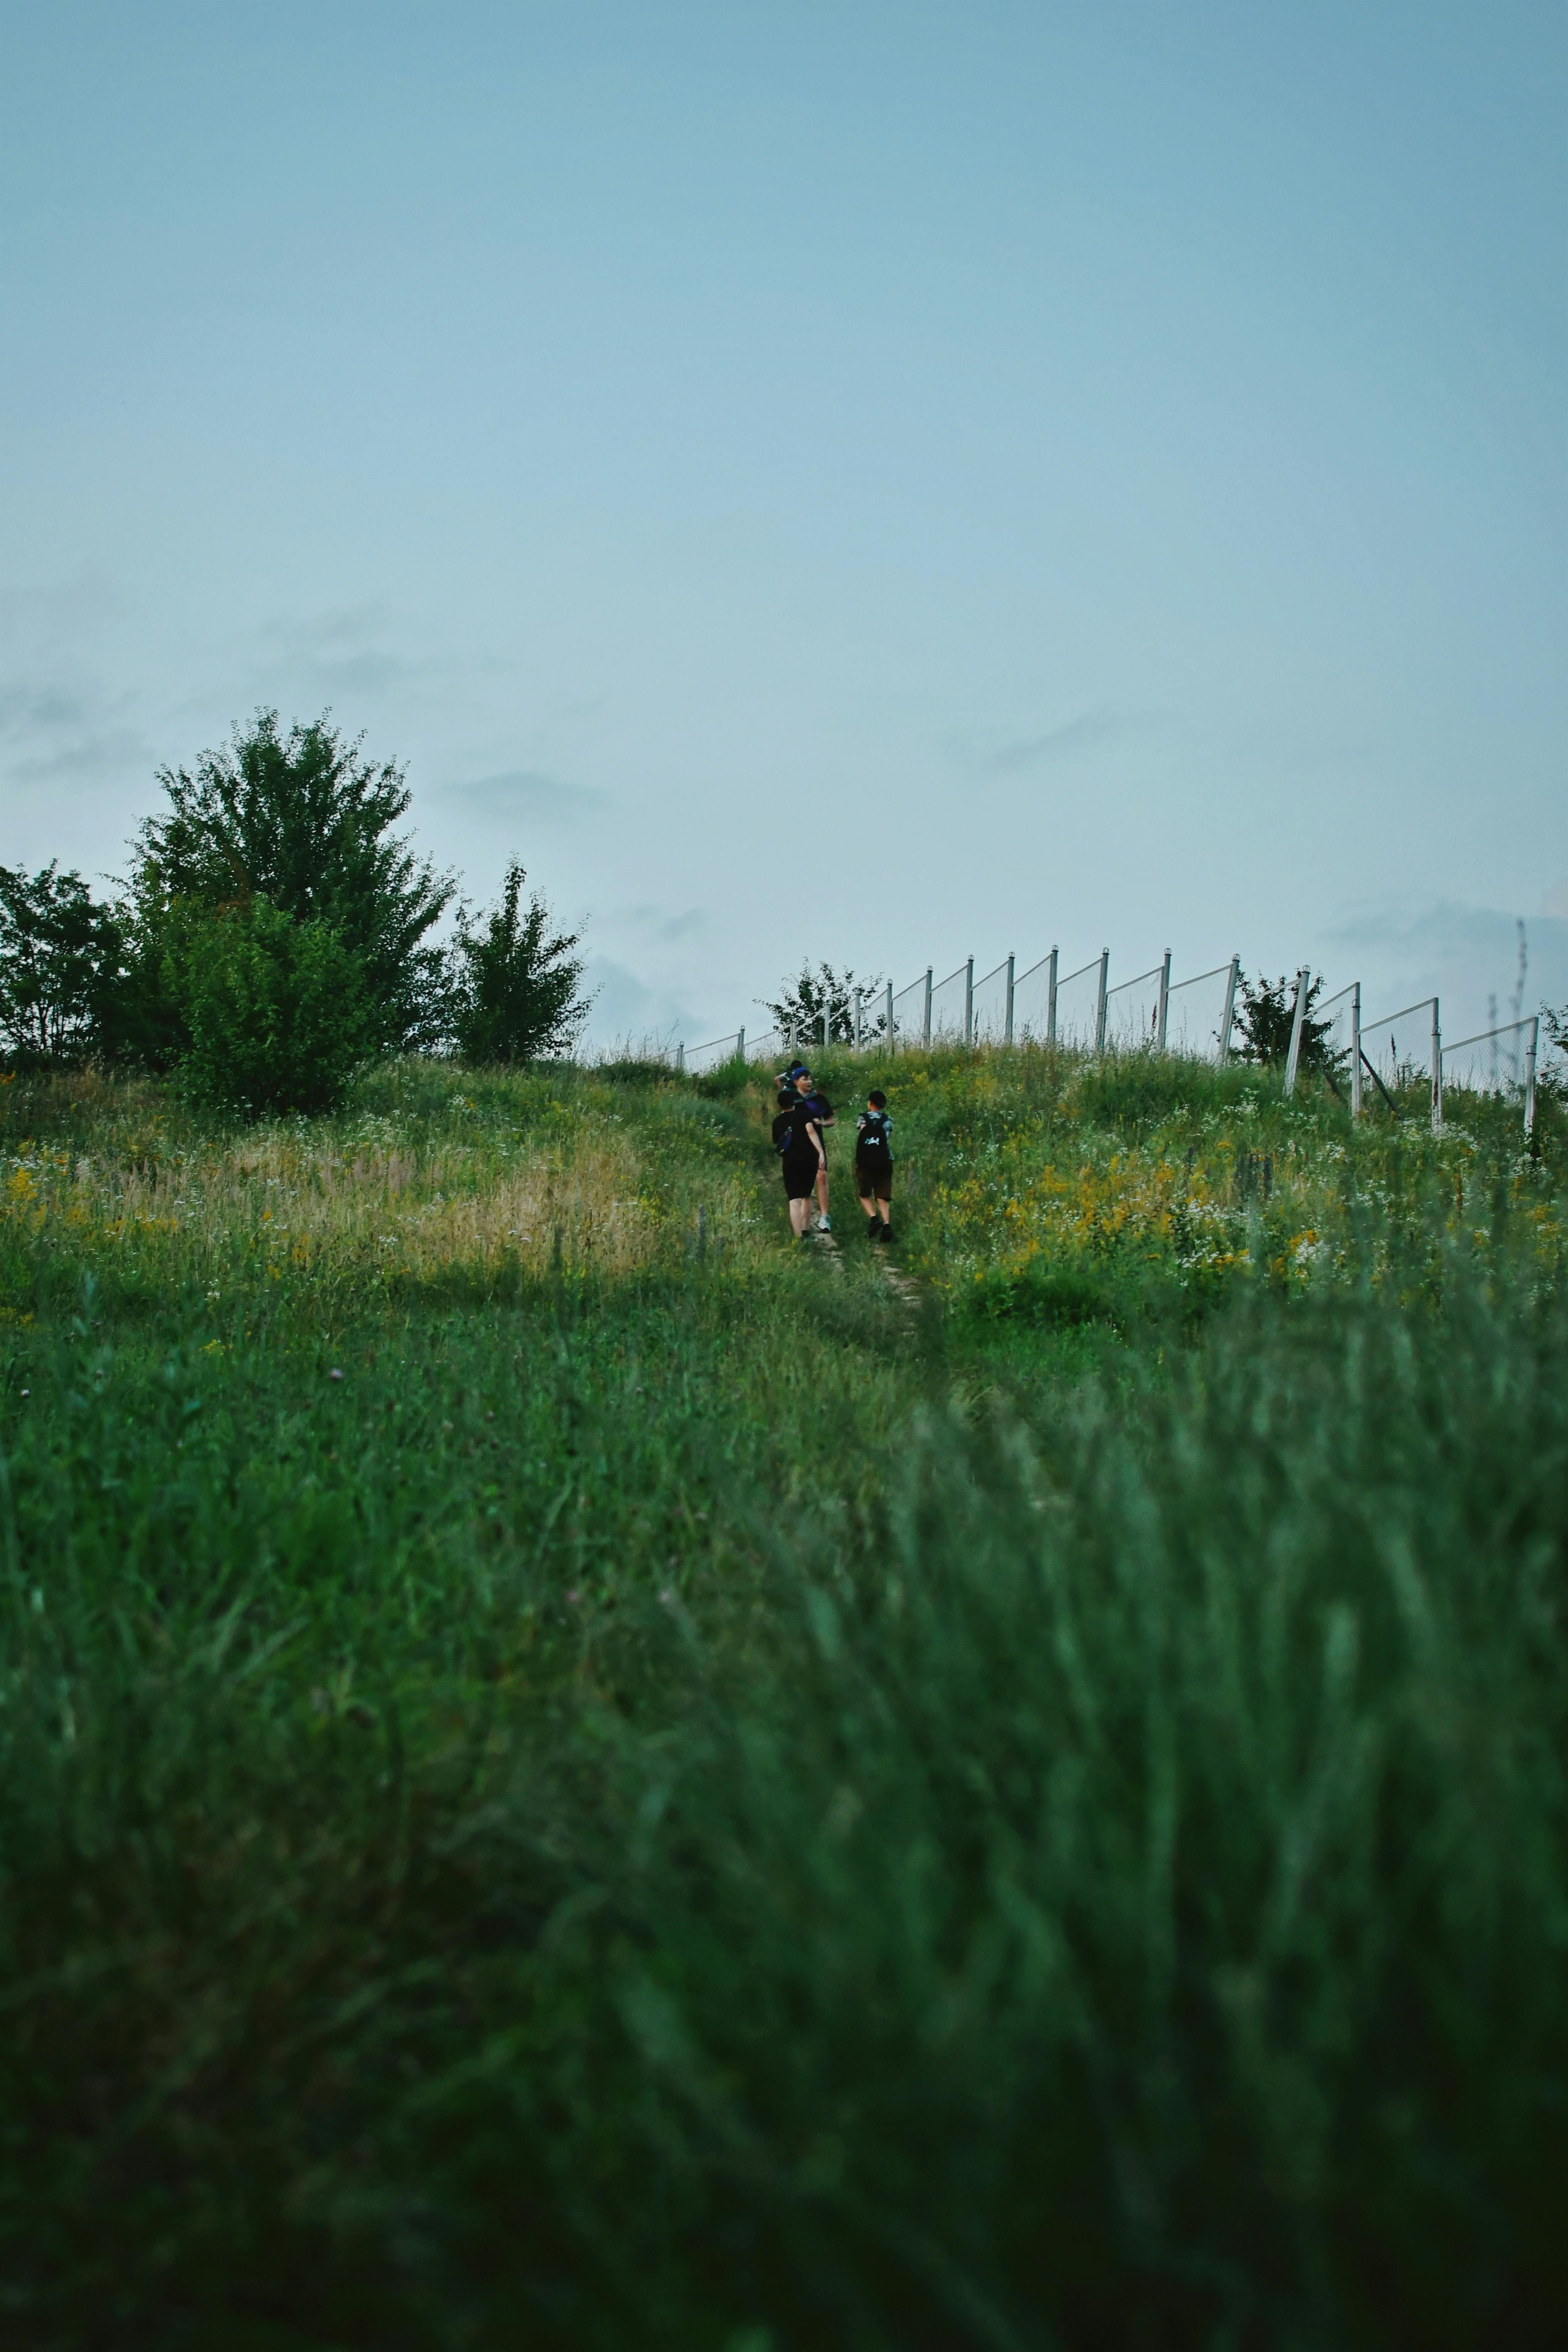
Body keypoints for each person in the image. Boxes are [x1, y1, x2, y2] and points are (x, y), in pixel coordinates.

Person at [772, 1085, 825, 1238]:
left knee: (794, 1199)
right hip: (808, 1159)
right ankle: (806, 1229)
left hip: (790, 1162)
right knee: (806, 1196)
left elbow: (778, 1142)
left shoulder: (777, 1122)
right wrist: (821, 1152)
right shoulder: (804, 1115)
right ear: (794, 1102)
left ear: (779, 1106)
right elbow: (811, 1131)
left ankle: (798, 1237)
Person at [792, 1067, 835, 1232]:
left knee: (822, 1175)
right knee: (803, 1183)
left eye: (811, 1079)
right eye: (805, 1079)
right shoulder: (792, 1099)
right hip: (798, 1144)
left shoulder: (819, 1098)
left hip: (817, 1144)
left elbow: (831, 1119)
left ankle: (825, 1217)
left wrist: (822, 1123)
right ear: (797, 1082)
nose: (809, 1082)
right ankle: (804, 1224)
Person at [855, 1088, 894, 1240]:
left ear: (870, 1103)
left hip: (866, 1161)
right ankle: (887, 1225)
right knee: (882, 1195)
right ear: (883, 1105)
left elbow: (863, 1134)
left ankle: (874, 1219)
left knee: (864, 1194)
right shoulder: (889, 1120)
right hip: (885, 1160)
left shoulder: (863, 1119)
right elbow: (887, 1136)